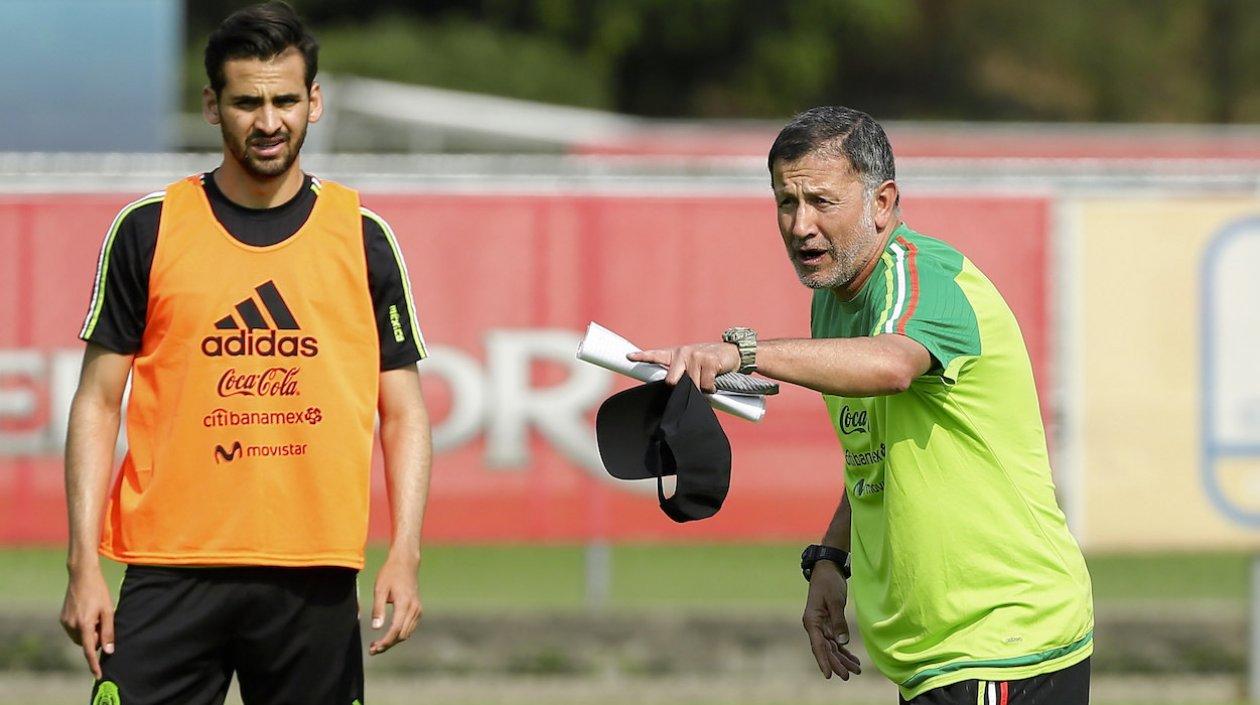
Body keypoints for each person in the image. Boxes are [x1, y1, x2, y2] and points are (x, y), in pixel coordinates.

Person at [630, 106, 1094, 704]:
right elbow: (874, 456)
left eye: (822, 202)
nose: (800, 225)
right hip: (944, 659)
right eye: (785, 202)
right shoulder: (833, 303)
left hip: (1001, 645)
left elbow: (894, 365)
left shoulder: (922, 274)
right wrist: (831, 556)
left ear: (882, 203)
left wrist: (740, 354)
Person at [58, 3, 433, 703]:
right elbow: (98, 401)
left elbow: (404, 412)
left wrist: (405, 552)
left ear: (314, 102)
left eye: (286, 99)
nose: (269, 121)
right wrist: (83, 562)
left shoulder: (362, 235)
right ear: (211, 105)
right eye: (248, 102)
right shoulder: (149, 229)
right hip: (170, 569)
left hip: (314, 574)